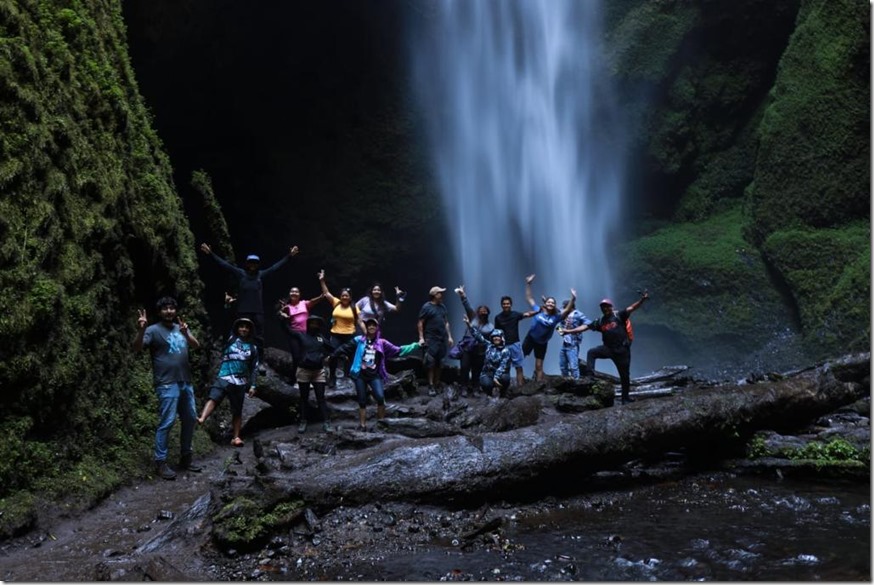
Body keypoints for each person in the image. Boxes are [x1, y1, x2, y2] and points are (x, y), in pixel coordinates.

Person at [133, 296, 202, 480]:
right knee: (167, 421)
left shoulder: (181, 328)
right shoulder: (153, 330)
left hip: (185, 382)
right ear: (159, 312)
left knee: (190, 419)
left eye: (172, 308)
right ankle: (160, 462)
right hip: (166, 383)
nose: (169, 311)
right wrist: (141, 330)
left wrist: (186, 333)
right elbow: (137, 347)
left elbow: (196, 345)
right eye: (165, 309)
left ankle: (186, 458)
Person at [199, 242, 299, 347]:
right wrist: (211, 254)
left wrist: (289, 256)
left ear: (258, 264)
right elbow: (226, 265)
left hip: (257, 311)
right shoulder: (241, 274)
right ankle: (239, 353)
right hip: (243, 311)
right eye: (251, 262)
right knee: (240, 334)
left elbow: (275, 267)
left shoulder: (260, 275)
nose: (253, 265)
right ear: (247, 264)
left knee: (259, 335)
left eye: (255, 263)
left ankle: (258, 358)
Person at [332, 318, 422, 431]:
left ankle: (381, 423)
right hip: (360, 375)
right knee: (362, 400)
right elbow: (344, 348)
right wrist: (333, 355)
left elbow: (398, 350)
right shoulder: (359, 340)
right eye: (369, 325)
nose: (371, 327)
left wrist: (416, 345)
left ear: (377, 328)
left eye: (373, 325)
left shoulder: (382, 343)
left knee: (380, 397)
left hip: (375, 375)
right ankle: (362, 425)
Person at [563, 291, 649, 404]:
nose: (604, 309)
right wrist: (569, 331)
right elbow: (585, 327)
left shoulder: (619, 315)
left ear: (611, 307)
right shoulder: (600, 321)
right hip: (608, 349)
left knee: (625, 376)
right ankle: (590, 376)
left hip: (622, 350)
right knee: (592, 352)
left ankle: (625, 398)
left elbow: (631, 308)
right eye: (603, 307)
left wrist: (642, 300)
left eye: (607, 306)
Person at [197, 317, 260, 447]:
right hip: (224, 377)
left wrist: (253, 385)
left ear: (250, 330)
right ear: (237, 328)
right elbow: (225, 323)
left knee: (237, 410)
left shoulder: (253, 348)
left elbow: (254, 368)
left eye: (246, 327)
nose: (244, 329)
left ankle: (236, 437)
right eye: (241, 326)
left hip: (240, 382)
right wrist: (227, 306)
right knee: (213, 398)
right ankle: (202, 418)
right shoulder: (230, 339)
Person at [522, 274, 577, 382]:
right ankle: (516, 380)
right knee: (519, 359)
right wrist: (528, 284)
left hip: (542, 342)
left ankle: (538, 386)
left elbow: (566, 311)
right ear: (545, 304)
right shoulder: (538, 310)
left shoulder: (556, 317)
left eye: (553, 302)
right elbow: (529, 298)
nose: (550, 304)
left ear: (554, 305)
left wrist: (573, 298)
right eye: (549, 302)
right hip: (530, 338)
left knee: (539, 366)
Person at [285, 315, 335, 433]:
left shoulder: (320, 338)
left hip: (318, 371)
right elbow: (288, 330)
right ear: (308, 324)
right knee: (304, 398)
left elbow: (332, 348)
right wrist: (282, 318)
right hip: (304, 370)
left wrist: (329, 357)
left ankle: (327, 422)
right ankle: (303, 421)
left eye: (316, 323)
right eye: (312, 323)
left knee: (321, 398)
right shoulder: (301, 335)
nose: (314, 325)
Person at [318, 269, 360, 388]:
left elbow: (360, 321)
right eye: (343, 295)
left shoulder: (354, 307)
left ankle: (348, 376)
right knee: (333, 355)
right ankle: (332, 377)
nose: (344, 297)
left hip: (350, 335)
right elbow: (326, 293)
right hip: (336, 334)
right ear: (340, 296)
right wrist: (322, 281)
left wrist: (366, 333)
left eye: (346, 295)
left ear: (350, 297)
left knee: (350, 357)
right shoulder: (336, 303)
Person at [277, 284, 324, 382]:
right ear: (289, 294)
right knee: (296, 356)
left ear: (299, 294)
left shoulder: (304, 303)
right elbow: (280, 314)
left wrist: (321, 296)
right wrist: (282, 313)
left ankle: (308, 378)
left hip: (306, 334)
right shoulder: (287, 307)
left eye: (296, 291)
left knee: (307, 355)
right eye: (292, 291)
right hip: (294, 334)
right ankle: (295, 379)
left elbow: (313, 301)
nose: (294, 293)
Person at [454, 285, 493, 396]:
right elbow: (467, 306)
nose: (483, 312)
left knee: (477, 370)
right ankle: (464, 387)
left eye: (485, 311)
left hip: (480, 351)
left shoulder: (490, 327)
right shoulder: (473, 318)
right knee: (465, 368)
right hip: (467, 349)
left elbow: (490, 340)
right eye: (481, 311)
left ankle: (476, 387)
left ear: (488, 313)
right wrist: (463, 295)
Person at [493, 291, 537, 387]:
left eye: (508, 304)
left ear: (511, 305)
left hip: (515, 344)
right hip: (504, 346)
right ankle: (504, 388)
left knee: (519, 367)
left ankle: (520, 387)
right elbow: (497, 333)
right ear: (501, 305)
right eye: (504, 304)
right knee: (505, 367)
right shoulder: (498, 318)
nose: (506, 305)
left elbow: (527, 314)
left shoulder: (515, 315)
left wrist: (538, 311)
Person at [417, 286, 454, 396]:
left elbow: (446, 322)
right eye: (439, 293)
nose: (441, 295)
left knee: (440, 362)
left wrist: (450, 336)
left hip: (441, 338)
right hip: (431, 338)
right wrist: (421, 337)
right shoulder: (426, 307)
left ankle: (437, 383)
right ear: (434, 295)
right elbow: (420, 322)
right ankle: (431, 385)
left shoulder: (442, 307)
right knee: (430, 362)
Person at [463, 316, 511, 398]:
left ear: (501, 338)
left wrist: (496, 377)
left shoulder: (505, 351)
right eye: (494, 336)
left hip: (500, 373)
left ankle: (503, 392)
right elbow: (478, 336)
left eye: (498, 336)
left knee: (505, 378)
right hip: (488, 372)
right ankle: (489, 394)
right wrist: (469, 325)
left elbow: (503, 366)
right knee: (485, 383)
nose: (496, 338)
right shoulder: (488, 346)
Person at [555, 300, 592, 379]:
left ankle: (576, 384)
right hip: (564, 343)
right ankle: (566, 383)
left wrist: (572, 331)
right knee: (562, 366)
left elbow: (589, 324)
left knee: (573, 367)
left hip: (573, 344)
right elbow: (557, 314)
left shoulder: (578, 314)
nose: (564, 308)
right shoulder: (563, 313)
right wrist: (560, 330)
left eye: (565, 307)